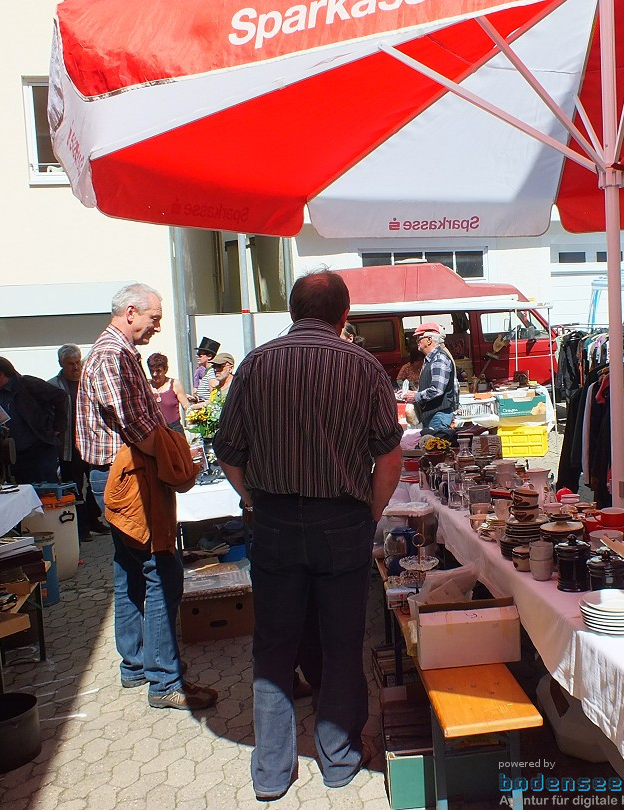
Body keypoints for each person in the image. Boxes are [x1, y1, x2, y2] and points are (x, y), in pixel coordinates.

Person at [214, 270, 402, 800]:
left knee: (273, 645)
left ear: (293, 311)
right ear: (345, 314)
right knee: (341, 639)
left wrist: (252, 498)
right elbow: (390, 455)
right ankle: (339, 761)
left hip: (273, 520)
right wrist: (371, 511)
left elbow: (227, 451)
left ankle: (272, 773)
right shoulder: (363, 366)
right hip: (341, 520)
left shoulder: (256, 363)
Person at [77, 282, 216, 711]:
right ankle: (163, 680)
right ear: (132, 311)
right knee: (162, 569)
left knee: (131, 569)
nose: (157, 326)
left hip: (122, 473)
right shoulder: (111, 355)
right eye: (155, 318)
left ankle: (136, 665)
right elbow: (137, 424)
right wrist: (177, 456)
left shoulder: (116, 353)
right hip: (128, 475)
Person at [48, 344, 106, 540]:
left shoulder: (89, 382)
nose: (75, 367)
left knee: (95, 484)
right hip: (68, 447)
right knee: (74, 487)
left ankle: (93, 519)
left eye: (77, 362)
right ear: (60, 364)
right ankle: (80, 528)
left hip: (92, 444)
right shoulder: (53, 386)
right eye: (70, 364)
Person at [0, 356, 68, 485]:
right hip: (15, 453)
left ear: (0, 374)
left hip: (39, 449)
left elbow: (61, 397)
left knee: (45, 490)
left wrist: (57, 428)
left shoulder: (28, 384)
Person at [403, 321, 458, 439]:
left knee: (437, 450)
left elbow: (437, 390)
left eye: (419, 338)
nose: (417, 341)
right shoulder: (431, 359)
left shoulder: (439, 359)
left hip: (438, 416)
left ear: (429, 340)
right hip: (433, 415)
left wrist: (416, 396)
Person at [147, 353, 190, 434]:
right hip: (155, 431)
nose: (154, 374)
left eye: (158, 371)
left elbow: (187, 408)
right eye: (151, 371)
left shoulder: (175, 384)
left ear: (165, 369)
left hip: (174, 430)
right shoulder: (146, 386)